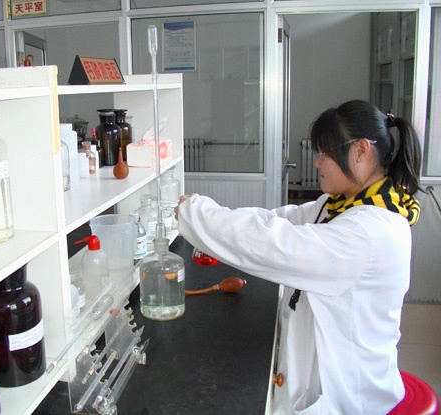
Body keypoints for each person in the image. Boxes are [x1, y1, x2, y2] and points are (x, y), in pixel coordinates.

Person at [175, 100, 422, 415]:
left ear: (361, 150)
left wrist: (197, 214)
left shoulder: (368, 234)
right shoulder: (341, 205)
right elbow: (278, 220)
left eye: (325, 154)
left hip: (348, 396)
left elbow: (276, 246)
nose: (317, 163)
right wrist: (210, 218)